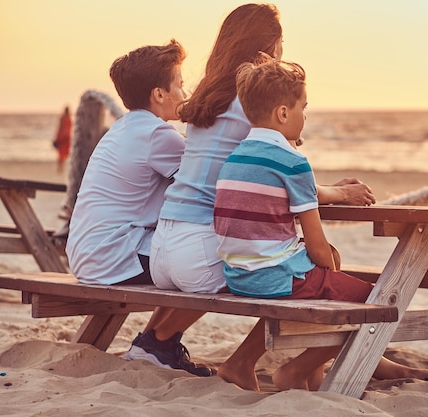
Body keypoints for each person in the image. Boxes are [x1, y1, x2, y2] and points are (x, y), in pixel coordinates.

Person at [146, 3, 375, 389]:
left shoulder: (207, 95)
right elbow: (279, 174)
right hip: (200, 246)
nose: (283, 52)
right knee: (280, 268)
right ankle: (259, 362)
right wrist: (337, 192)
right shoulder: (248, 102)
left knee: (301, 265)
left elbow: (259, 175)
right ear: (267, 48)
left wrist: (331, 190)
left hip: (164, 244)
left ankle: (157, 342)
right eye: (280, 44)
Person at [214, 56, 428, 391]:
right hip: (274, 277)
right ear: (282, 113)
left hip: (238, 276)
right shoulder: (293, 162)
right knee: (372, 299)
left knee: (328, 275)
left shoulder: (235, 158)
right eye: (302, 108)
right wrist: (330, 273)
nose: (304, 116)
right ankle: (293, 371)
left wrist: (326, 263)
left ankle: (306, 374)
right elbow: (318, 246)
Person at [66, 40, 214, 377]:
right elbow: (212, 182)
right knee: (205, 258)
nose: (185, 90)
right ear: (159, 94)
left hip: (89, 253)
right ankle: (159, 343)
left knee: (177, 248)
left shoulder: (125, 128)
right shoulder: (158, 135)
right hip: (113, 255)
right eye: (179, 83)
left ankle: (154, 344)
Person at [53, 106, 72, 174]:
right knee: (61, 154)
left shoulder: (66, 118)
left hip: (64, 138)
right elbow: (61, 128)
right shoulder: (65, 118)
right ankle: (60, 169)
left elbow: (60, 128)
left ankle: (60, 169)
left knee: (63, 154)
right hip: (63, 138)